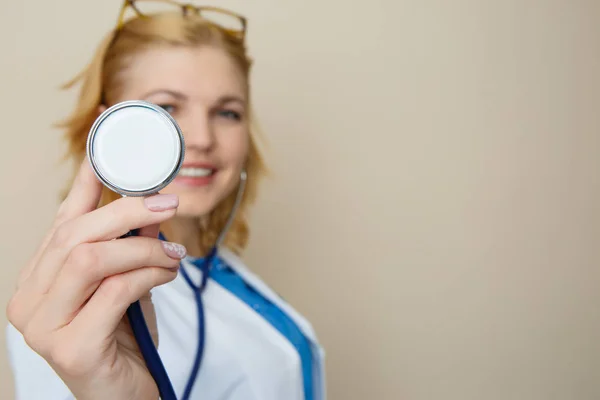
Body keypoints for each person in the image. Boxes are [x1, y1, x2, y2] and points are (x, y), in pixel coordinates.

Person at [5, 1, 326, 399]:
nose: (203, 138)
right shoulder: (69, 310)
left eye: (227, 113)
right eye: (168, 107)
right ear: (107, 130)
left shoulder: (218, 268)